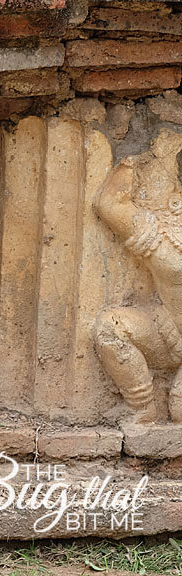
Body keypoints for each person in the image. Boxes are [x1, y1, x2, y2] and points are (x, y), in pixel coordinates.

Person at [94, 156, 182, 423]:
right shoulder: (166, 234)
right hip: (169, 332)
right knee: (110, 327)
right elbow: (109, 204)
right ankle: (143, 408)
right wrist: (132, 161)